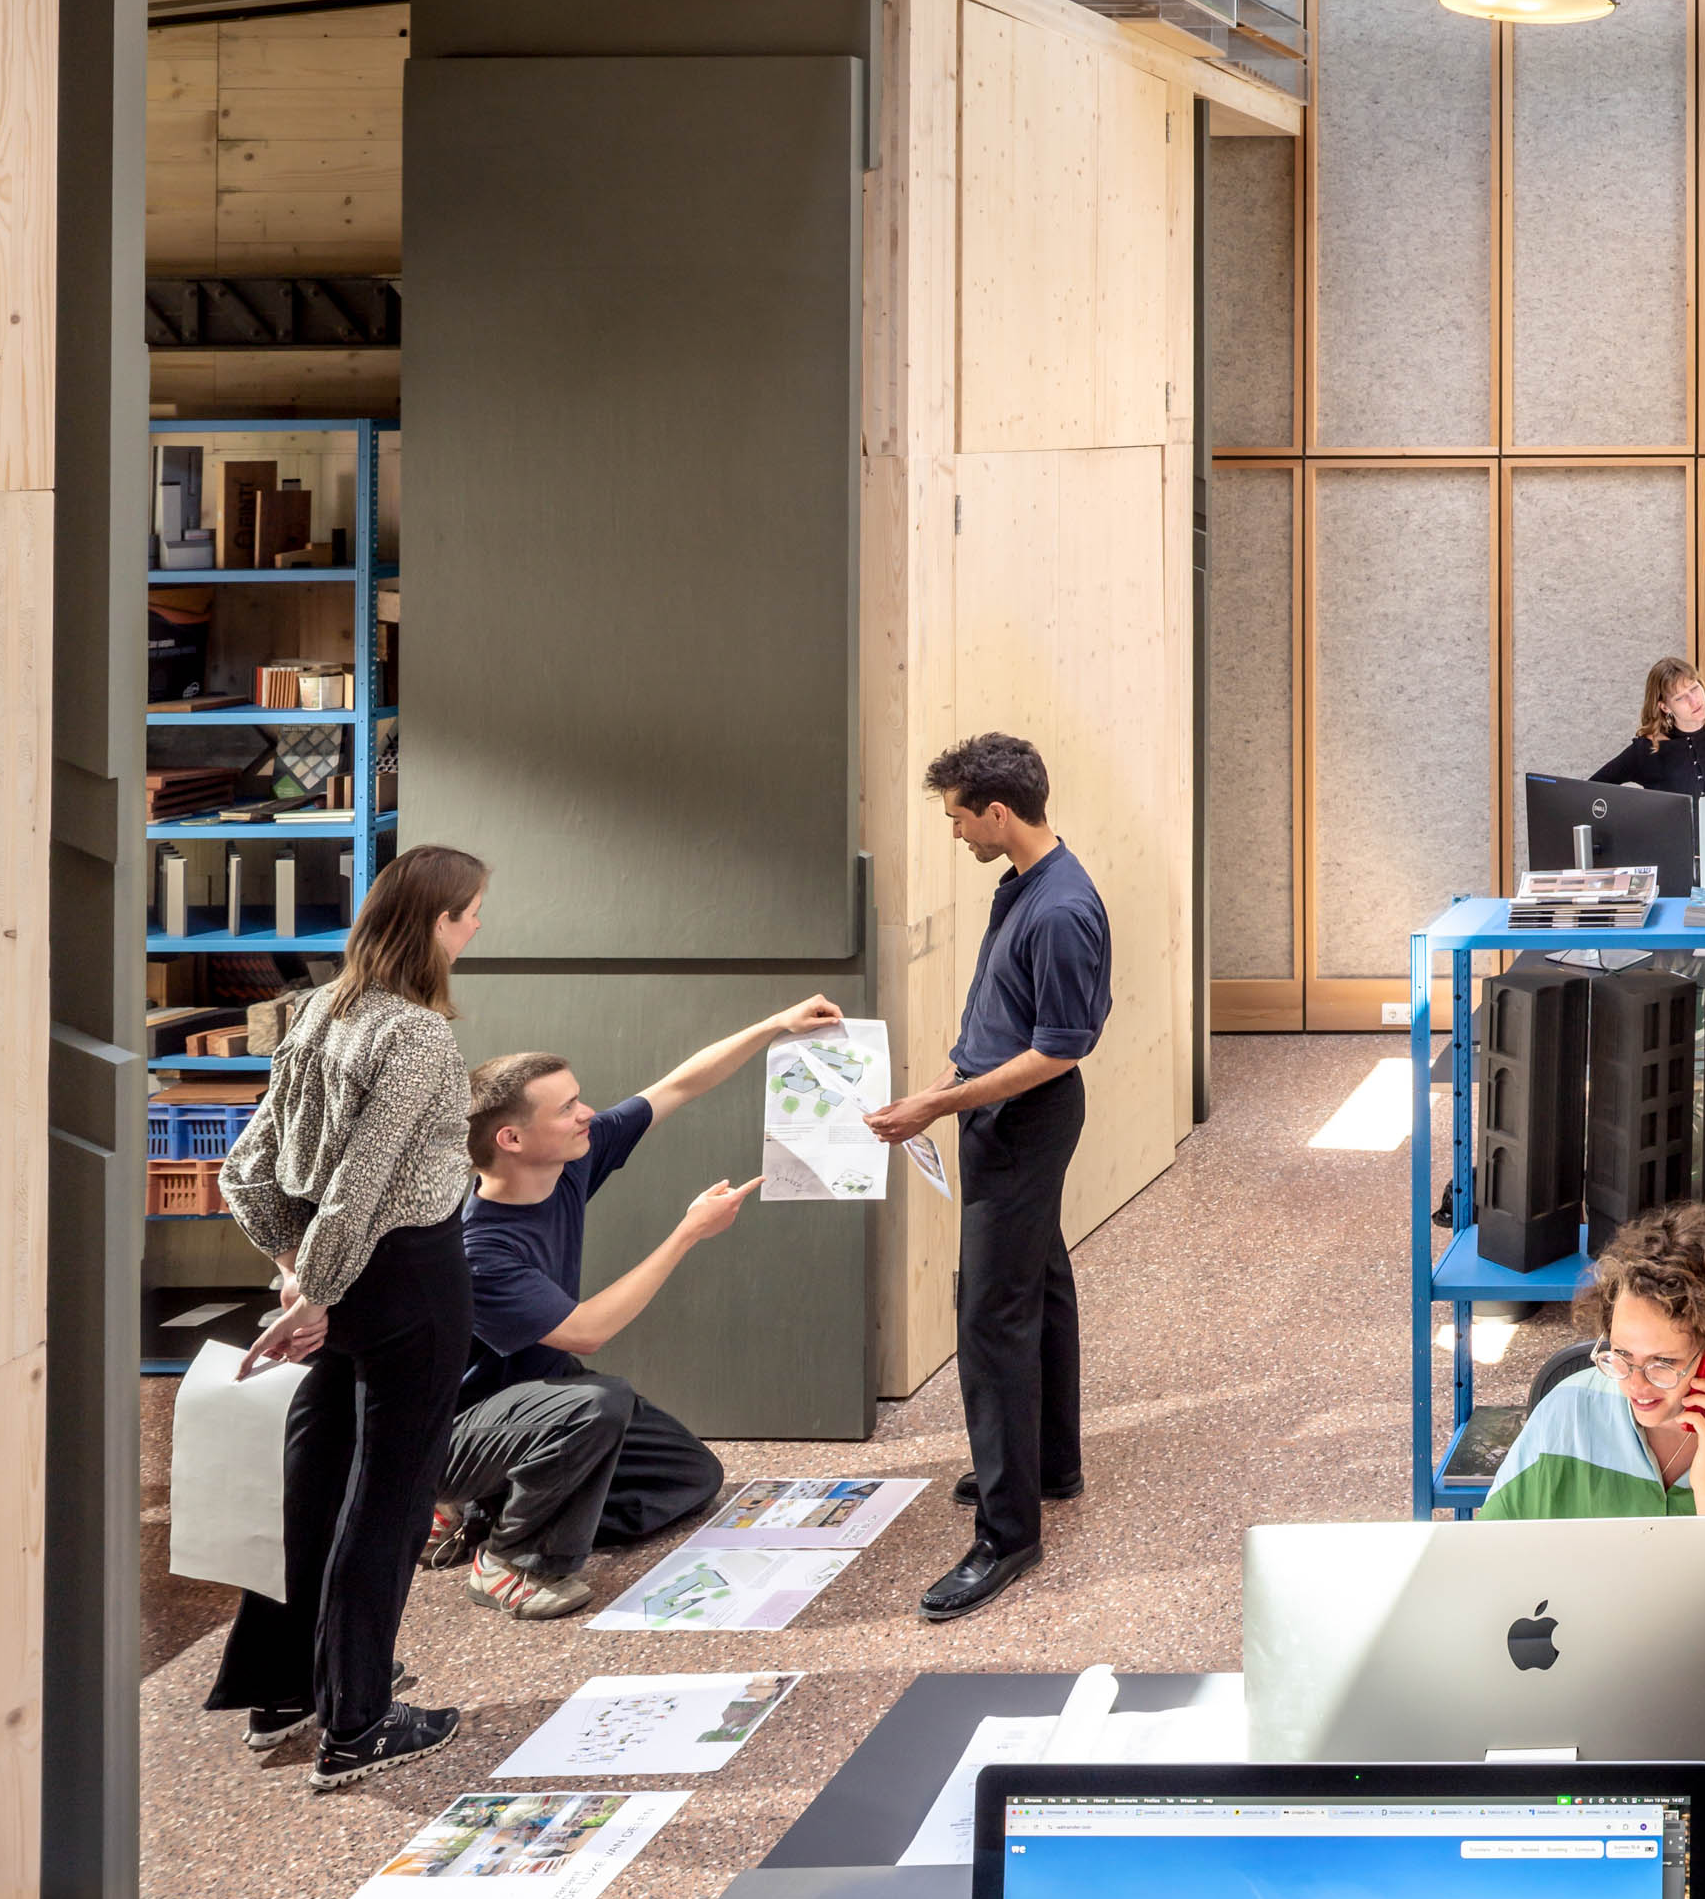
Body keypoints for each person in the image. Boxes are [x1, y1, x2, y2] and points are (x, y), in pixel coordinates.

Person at [209, 845, 490, 1788]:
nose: (478, 927)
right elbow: (366, 1183)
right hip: (408, 1276)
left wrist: (297, 1275)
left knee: (316, 1478)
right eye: (470, 913)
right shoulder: (415, 1035)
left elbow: (243, 1168)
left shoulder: (318, 1013)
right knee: (391, 1498)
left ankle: (287, 1689)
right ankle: (360, 1724)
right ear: (436, 924)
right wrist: (315, 1294)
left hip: (339, 1277)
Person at [430, 997, 845, 1616]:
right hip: (454, 1428)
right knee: (601, 1403)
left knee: (691, 1476)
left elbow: (679, 1085)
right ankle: (509, 1560)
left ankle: (491, 1510)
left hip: (537, 1392)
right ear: (511, 1138)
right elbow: (589, 1332)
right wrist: (687, 1234)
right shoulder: (482, 1247)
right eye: (567, 1107)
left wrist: (773, 1026)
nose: (586, 1114)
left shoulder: (568, 1162)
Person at [868, 732, 1110, 1619]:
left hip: (1024, 1123)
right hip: (994, 1111)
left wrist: (939, 1109)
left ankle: (1007, 1538)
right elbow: (996, 1024)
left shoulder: (1059, 909)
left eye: (959, 817)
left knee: (990, 1317)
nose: (957, 832)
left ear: (998, 812)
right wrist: (938, 1087)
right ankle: (1051, 1464)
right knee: (1038, 1284)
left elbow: (1058, 1047)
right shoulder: (1020, 886)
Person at [1479, 1201, 1705, 1521]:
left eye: (1662, 1362)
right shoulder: (1563, 1415)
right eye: (1622, 1354)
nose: (1635, 1384)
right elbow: (1486, 1553)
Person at [1592, 658, 1705, 803]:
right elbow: (1592, 789)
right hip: (1673, 835)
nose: (1694, 701)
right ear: (1665, 707)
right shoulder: (1647, 749)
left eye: (1694, 688)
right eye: (1680, 698)